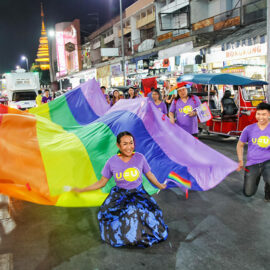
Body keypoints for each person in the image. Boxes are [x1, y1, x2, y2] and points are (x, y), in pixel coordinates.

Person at [72, 131, 168, 247]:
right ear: (118, 145)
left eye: (131, 143)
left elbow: (149, 174)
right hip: (120, 194)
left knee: (144, 214)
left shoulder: (140, 158)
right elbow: (102, 182)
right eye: (125, 144)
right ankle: (122, 234)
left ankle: (139, 233)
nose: (129, 147)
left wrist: (160, 185)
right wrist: (82, 190)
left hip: (138, 193)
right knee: (105, 212)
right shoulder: (112, 162)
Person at [236, 102, 270, 202]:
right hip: (253, 162)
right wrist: (240, 160)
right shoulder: (248, 129)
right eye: (258, 114)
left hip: (268, 161)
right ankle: (256, 176)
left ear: (269, 114)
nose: (261, 117)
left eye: (264, 114)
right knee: (248, 193)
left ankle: (268, 189)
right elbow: (240, 145)